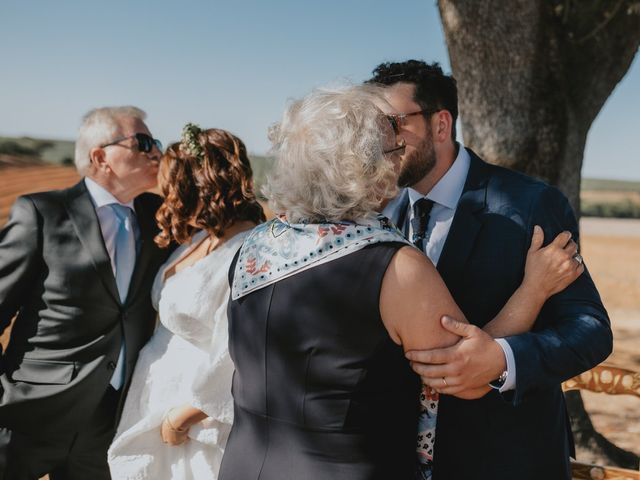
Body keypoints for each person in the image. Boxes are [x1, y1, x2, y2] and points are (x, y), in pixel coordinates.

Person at [217, 84, 584, 480]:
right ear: (366, 168)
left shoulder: (252, 247)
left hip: (245, 464)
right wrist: (533, 291)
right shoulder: (396, 266)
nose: (397, 161)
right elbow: (462, 373)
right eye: (391, 151)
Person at [369, 60, 612, 479]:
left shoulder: (530, 204)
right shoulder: (377, 211)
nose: (379, 139)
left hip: (505, 458)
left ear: (440, 125)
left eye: (392, 123)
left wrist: (502, 360)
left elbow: (590, 329)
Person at [0, 106, 169, 479]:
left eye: (155, 142)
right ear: (100, 156)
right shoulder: (42, 214)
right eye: (142, 142)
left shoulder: (160, 217)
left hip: (109, 422)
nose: (156, 151)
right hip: (30, 415)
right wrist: (5, 396)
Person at [107, 124, 265, 479]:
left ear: (198, 188)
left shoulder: (249, 252)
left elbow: (240, 348)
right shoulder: (197, 239)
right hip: (152, 392)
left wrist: (187, 414)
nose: (167, 196)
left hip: (195, 413)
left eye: (173, 187)